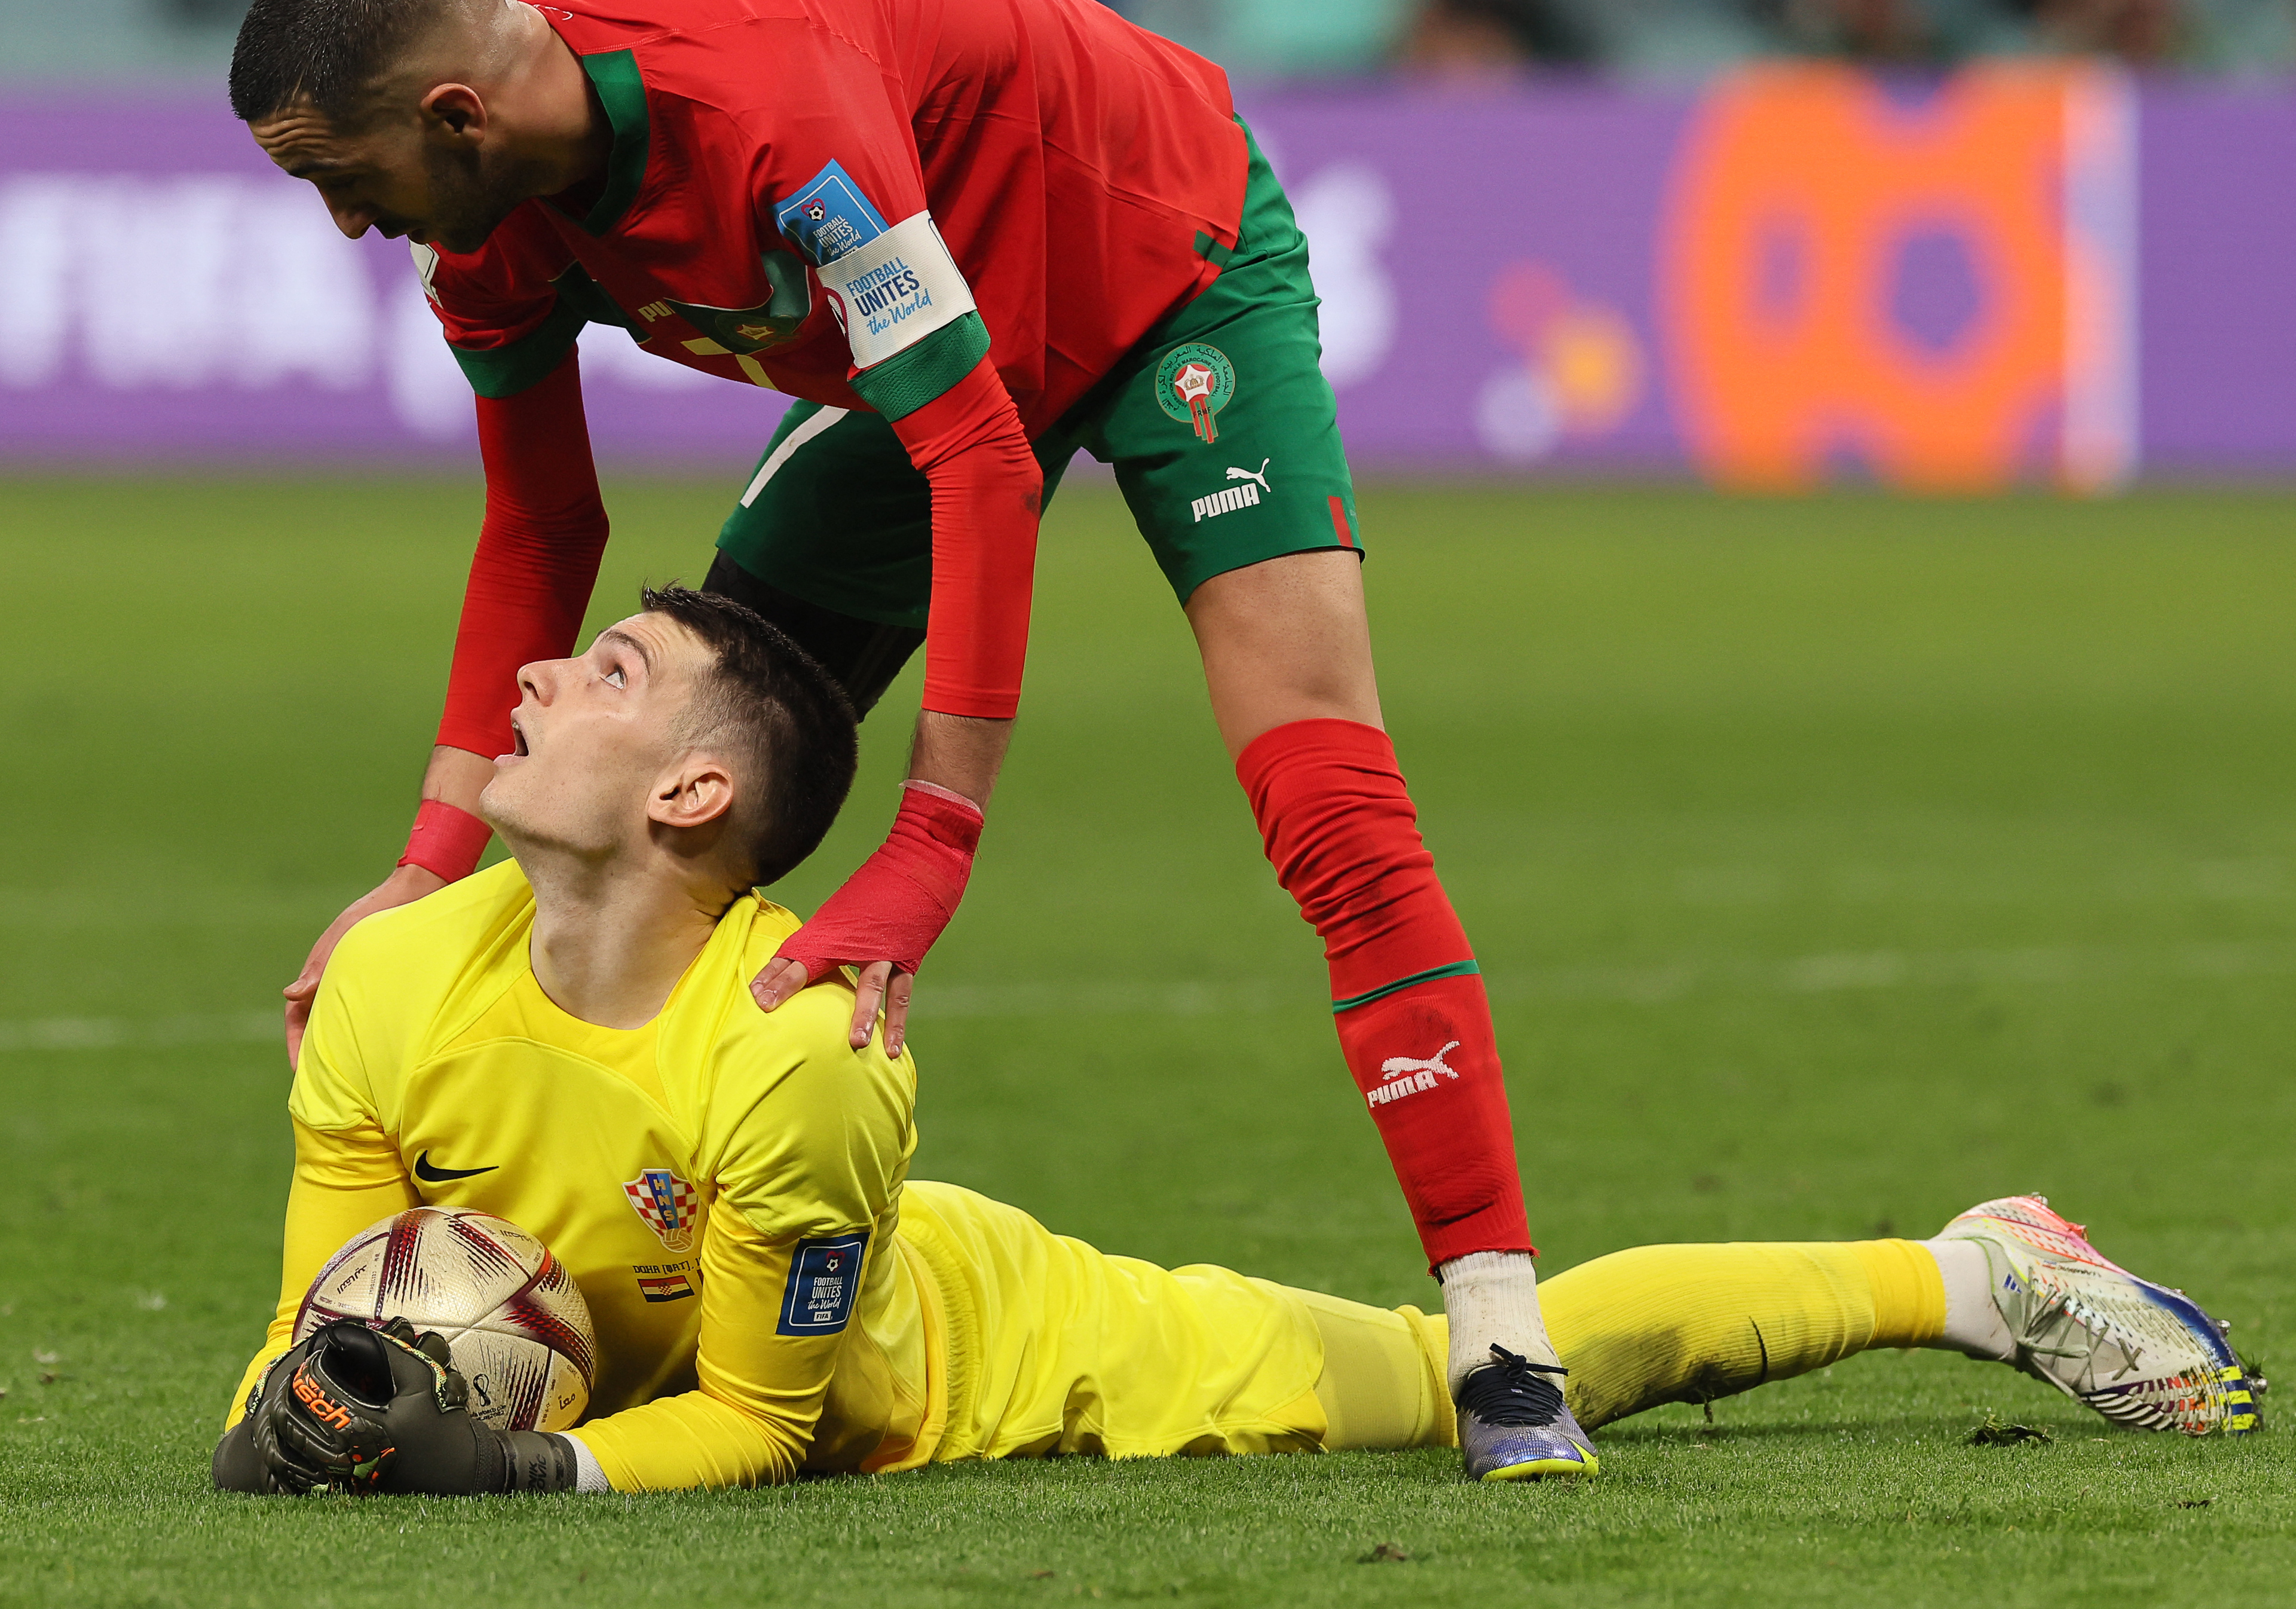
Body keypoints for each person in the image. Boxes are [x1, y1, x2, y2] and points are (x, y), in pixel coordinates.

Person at [228, 0, 1536, 1475]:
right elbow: (542, 523)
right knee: (676, 780)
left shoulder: (763, 109)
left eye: (337, 178)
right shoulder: (488, 210)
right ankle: (694, 1296)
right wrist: (422, 872)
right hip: (929, 352)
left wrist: (931, 845)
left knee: (1323, 798)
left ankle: (1502, 1331)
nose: (347, 226)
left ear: (453, 114)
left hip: (1156, 257)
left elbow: (976, 451)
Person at [210, 588, 2261, 1496]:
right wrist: (285, 1418)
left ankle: (1974, 1273)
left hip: (994, 1360)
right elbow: (304, 1309)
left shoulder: (800, 1050)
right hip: (681, 1376)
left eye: (613, 671)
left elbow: (757, 1428)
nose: (543, 669)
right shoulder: (392, 978)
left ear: (689, 800)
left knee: (1462, 1378)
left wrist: (530, 1470)